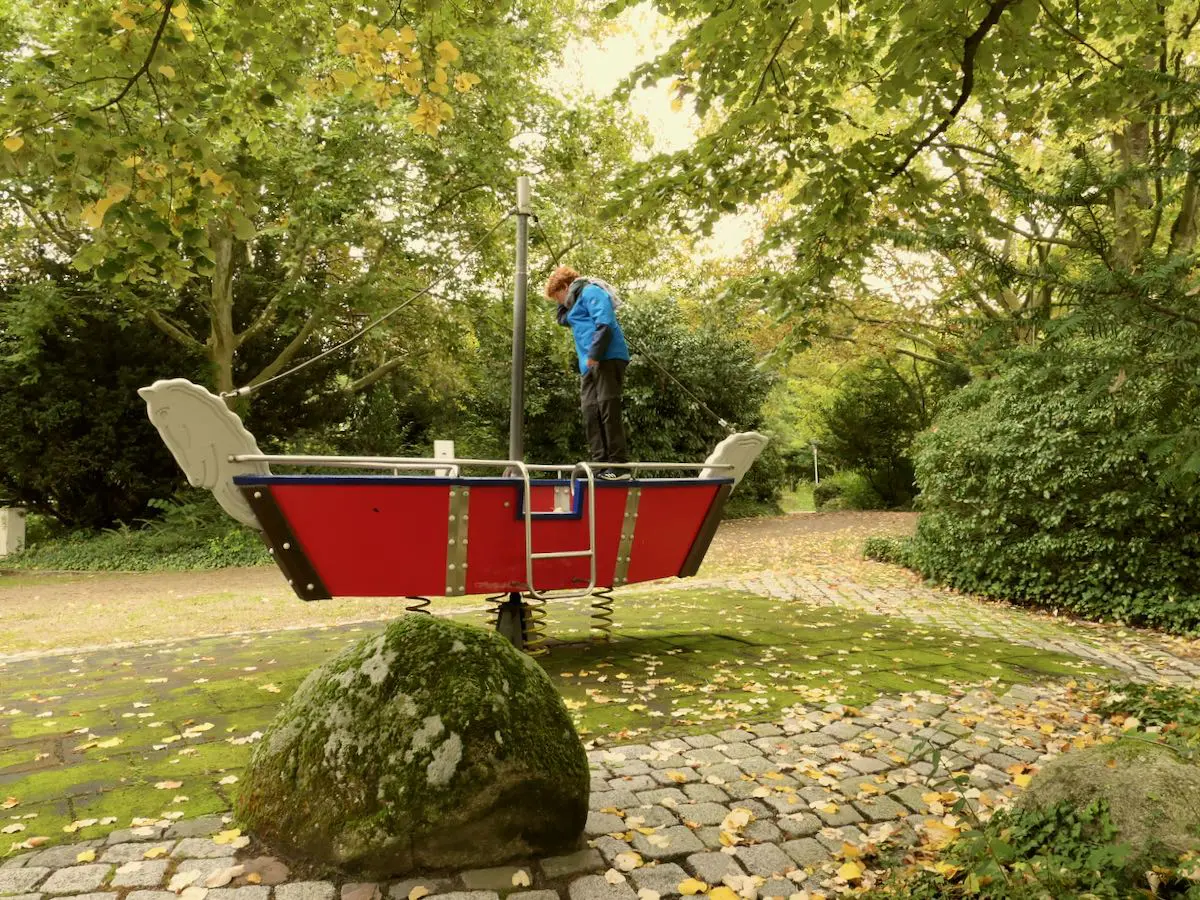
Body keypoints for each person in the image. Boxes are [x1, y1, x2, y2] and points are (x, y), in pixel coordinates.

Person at [544, 265, 632, 479]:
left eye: (558, 295)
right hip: (589, 365)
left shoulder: (591, 291)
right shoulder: (573, 307)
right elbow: (561, 319)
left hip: (607, 357)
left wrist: (595, 353)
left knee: (607, 408)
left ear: (565, 286)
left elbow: (605, 323)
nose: (558, 302)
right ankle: (599, 465)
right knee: (590, 411)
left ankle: (619, 466)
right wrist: (563, 296)